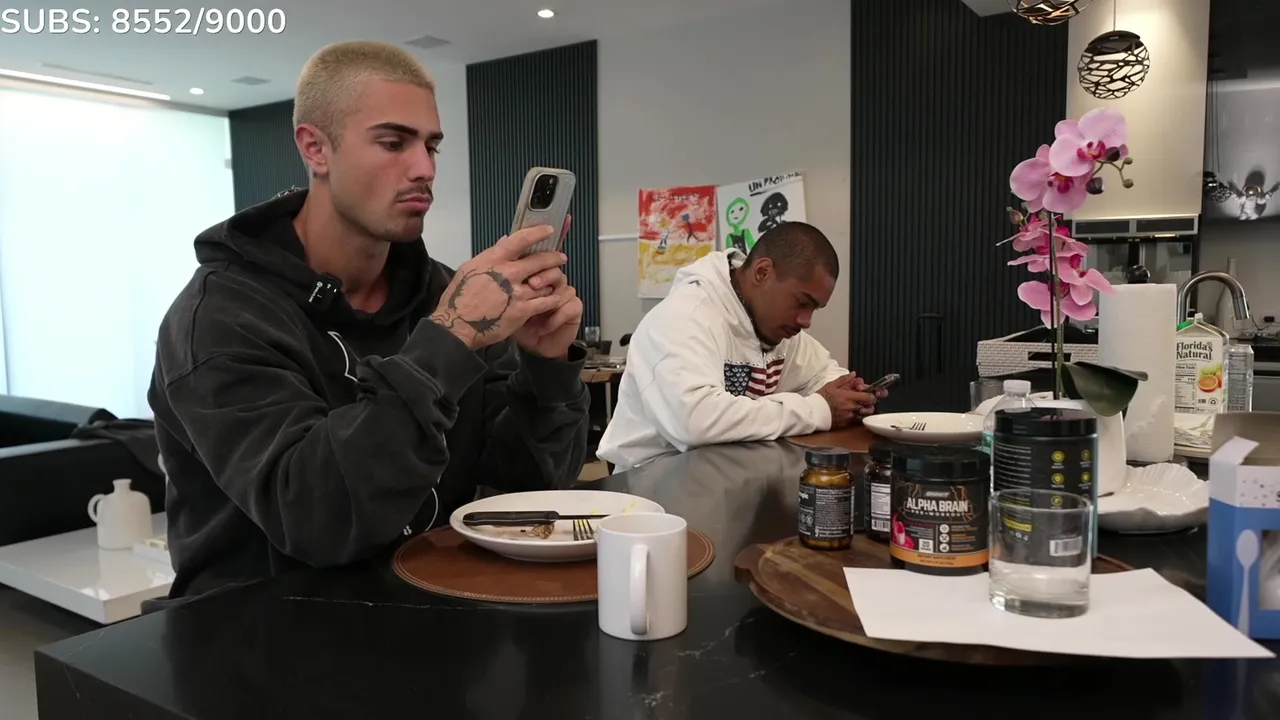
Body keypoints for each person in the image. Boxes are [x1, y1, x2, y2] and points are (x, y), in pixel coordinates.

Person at [147, 40, 590, 604]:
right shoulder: (219, 318)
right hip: (262, 635)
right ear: (315, 148)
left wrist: (545, 368)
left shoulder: (443, 293)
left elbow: (523, 491)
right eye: (393, 142)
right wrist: (449, 341)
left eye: (431, 145)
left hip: (432, 618)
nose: (425, 169)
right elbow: (319, 518)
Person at [596, 222, 885, 471]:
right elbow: (696, 422)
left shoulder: (777, 328)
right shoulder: (684, 318)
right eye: (802, 302)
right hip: (651, 487)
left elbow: (821, 374)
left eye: (815, 309)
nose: (806, 321)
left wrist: (849, 395)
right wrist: (819, 409)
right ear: (762, 272)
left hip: (726, 477)